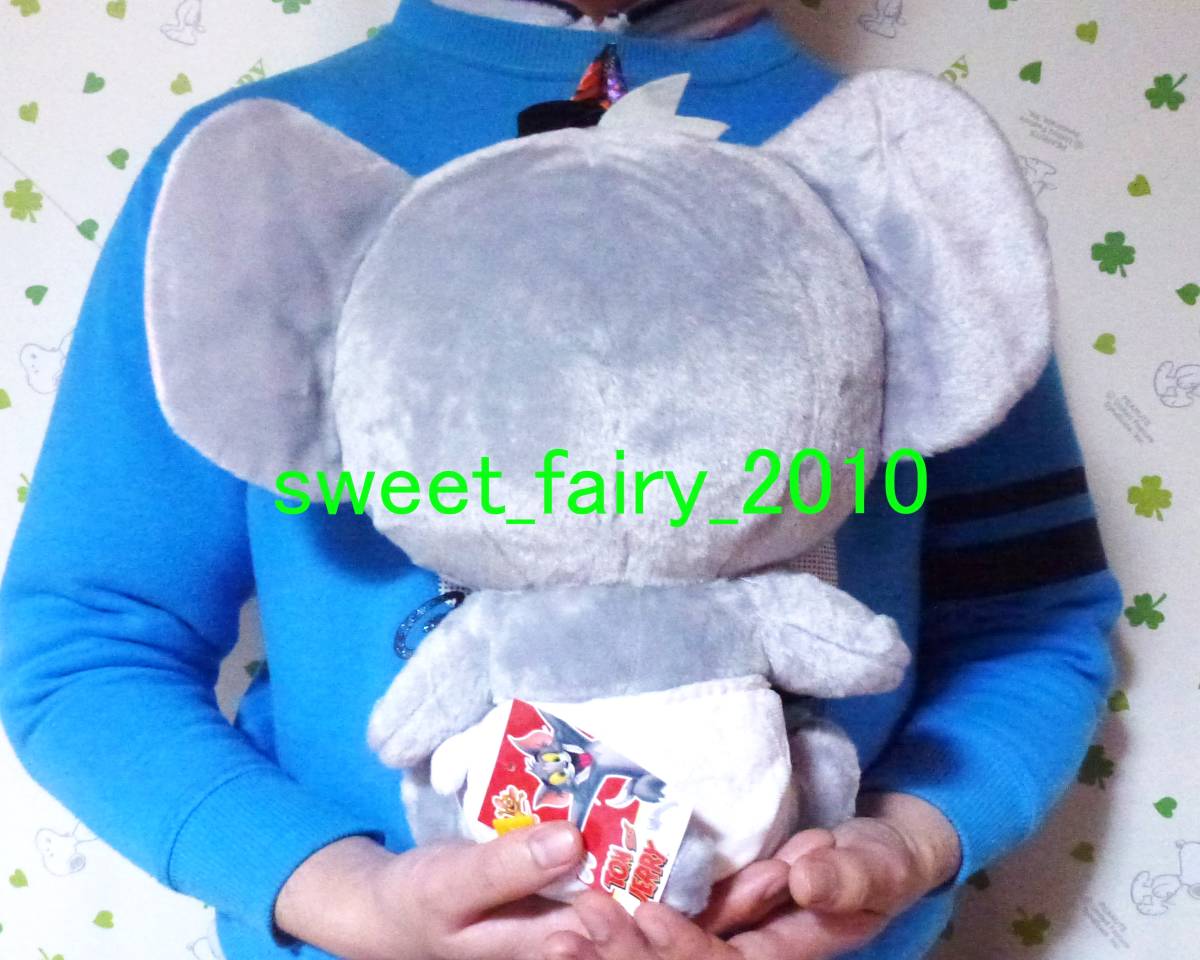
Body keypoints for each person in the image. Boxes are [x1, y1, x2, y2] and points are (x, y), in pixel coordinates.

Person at [0, 1, 1124, 959]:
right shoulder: (267, 178)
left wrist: (909, 842)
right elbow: (82, 644)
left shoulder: (889, 185)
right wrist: (350, 897)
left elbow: (1034, 618)